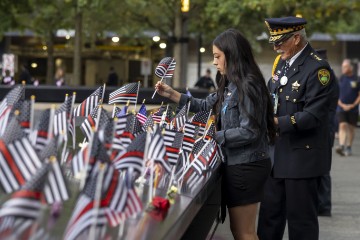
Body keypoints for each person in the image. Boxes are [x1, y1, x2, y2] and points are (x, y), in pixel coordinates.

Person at [155, 29, 276, 240]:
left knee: (244, 232)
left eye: (217, 56)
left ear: (232, 55)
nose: (214, 62)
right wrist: (172, 94)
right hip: (238, 163)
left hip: (246, 165)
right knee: (239, 231)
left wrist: (212, 135)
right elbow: (205, 106)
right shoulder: (230, 84)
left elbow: (251, 131)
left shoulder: (248, 85)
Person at [257, 16, 337, 240]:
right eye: (273, 42)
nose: (275, 47)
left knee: (301, 224)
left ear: (296, 38)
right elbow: (271, 98)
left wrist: (273, 123)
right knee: (268, 220)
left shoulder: (318, 69)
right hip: (277, 156)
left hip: (302, 159)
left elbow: (313, 115)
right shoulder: (282, 64)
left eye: (280, 41)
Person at [315, 49, 339, 217]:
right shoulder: (330, 76)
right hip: (326, 127)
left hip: (323, 128)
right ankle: (321, 204)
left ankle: (323, 205)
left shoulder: (324, 76)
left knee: (322, 169)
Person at [335, 59, 360, 156]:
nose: (343, 68)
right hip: (341, 107)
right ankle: (341, 146)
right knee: (343, 125)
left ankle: (349, 146)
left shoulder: (357, 79)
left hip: (353, 108)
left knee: (351, 128)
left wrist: (353, 105)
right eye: (342, 66)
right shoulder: (340, 79)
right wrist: (341, 104)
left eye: (345, 66)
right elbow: (336, 93)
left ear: (350, 68)